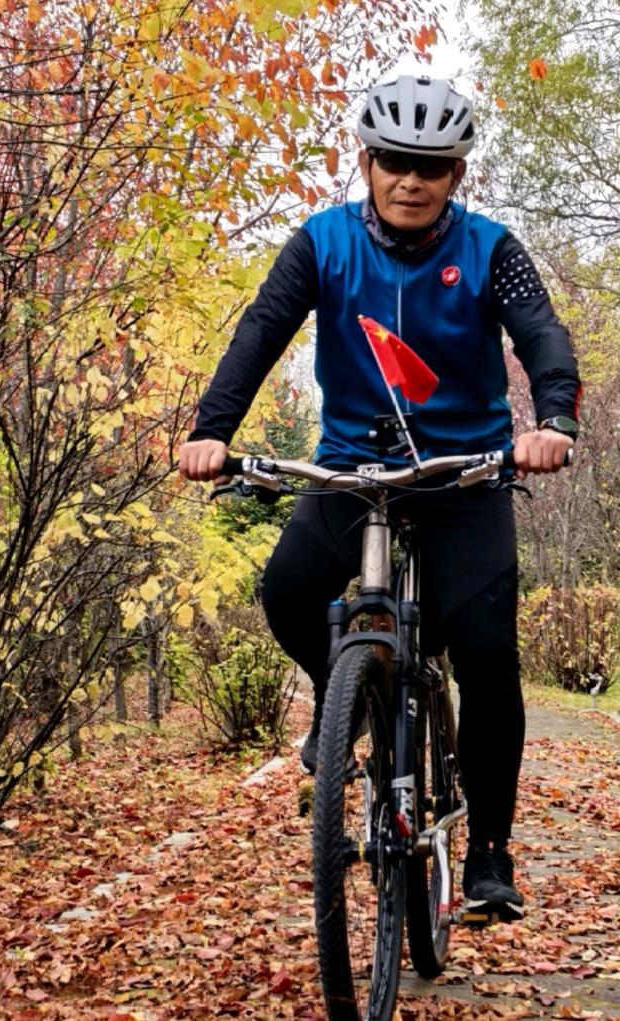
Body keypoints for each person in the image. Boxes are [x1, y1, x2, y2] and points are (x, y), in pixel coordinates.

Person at [179, 75, 580, 922]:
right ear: (364, 161)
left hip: (464, 474)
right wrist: (211, 427)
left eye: (429, 167)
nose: (409, 180)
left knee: (483, 651)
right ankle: (351, 704)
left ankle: (490, 854)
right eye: (393, 160)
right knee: (286, 591)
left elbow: (540, 331)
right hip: (350, 469)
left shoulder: (489, 249)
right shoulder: (321, 242)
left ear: (456, 175)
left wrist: (551, 418)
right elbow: (263, 328)